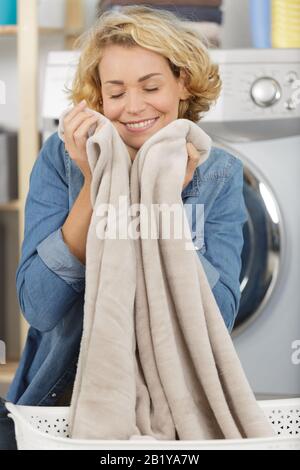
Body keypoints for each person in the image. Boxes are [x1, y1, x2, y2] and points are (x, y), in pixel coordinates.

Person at [0, 5, 247, 449]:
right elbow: (38, 307)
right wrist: (94, 185)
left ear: (182, 82)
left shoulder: (219, 174)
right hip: (62, 402)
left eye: (151, 86)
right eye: (115, 93)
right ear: (97, 97)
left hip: (181, 410)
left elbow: (220, 319)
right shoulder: (62, 162)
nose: (133, 107)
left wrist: (163, 201)